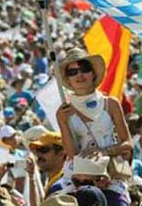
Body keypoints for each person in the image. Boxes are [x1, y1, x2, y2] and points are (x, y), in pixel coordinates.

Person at [56, 48, 132, 204]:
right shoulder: (64, 110)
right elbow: (71, 153)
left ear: (93, 74)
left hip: (109, 174)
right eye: (73, 72)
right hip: (78, 176)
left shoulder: (110, 104)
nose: (79, 75)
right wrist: (62, 122)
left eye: (84, 69)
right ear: (68, 80)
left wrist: (103, 151)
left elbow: (127, 144)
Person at [28, 131, 66, 199]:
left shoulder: (62, 185)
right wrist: (32, 177)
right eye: (37, 149)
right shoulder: (53, 180)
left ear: (61, 154)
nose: (38, 154)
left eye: (44, 149)